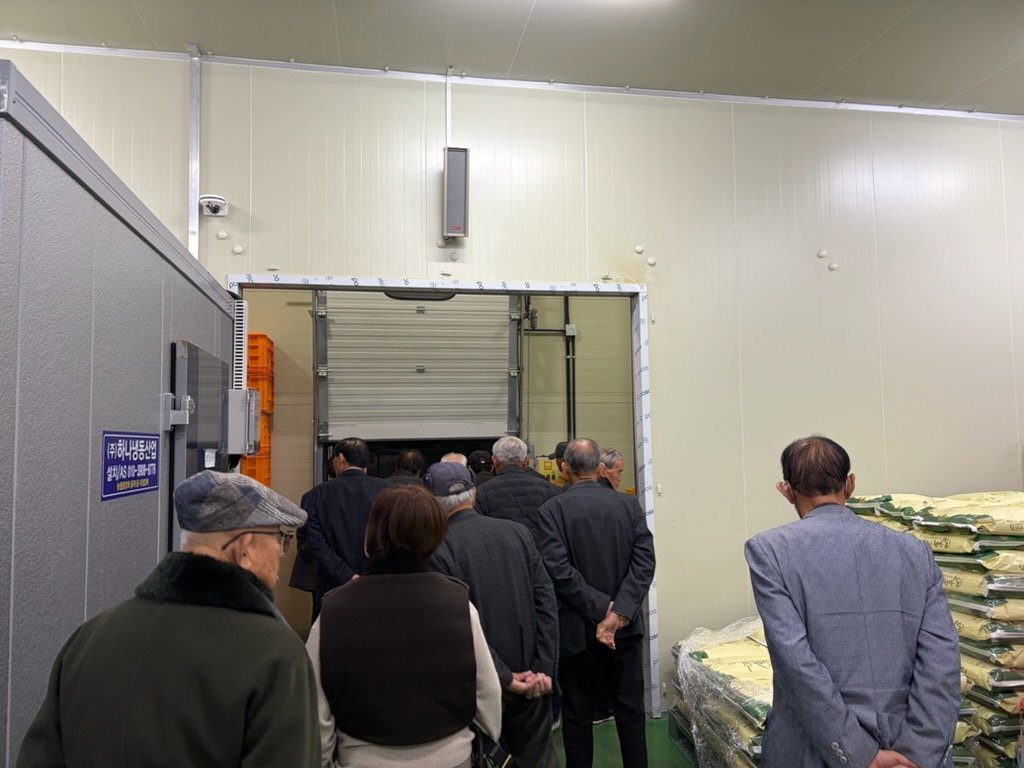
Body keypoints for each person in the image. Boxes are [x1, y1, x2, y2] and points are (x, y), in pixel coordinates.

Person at [16, 470, 318, 768]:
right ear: (244, 548)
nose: (282, 552)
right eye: (281, 537)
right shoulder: (276, 654)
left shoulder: (88, 638)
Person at [745, 436, 960, 768]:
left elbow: (797, 664)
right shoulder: (914, 552)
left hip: (814, 753)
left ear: (786, 490)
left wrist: (859, 753)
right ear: (850, 484)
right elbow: (941, 659)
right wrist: (918, 752)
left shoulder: (769, 552)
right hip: (907, 751)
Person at [306, 484, 501, 768]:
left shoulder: (335, 608)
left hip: (362, 759)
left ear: (371, 534)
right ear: (436, 535)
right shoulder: (458, 602)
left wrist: (325, 759)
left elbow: (315, 707)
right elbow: (488, 692)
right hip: (451, 756)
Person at [428, 461, 560, 768]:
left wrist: (505, 677)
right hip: (532, 678)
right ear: (474, 494)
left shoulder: (436, 552)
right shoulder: (518, 534)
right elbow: (546, 602)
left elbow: (457, 626)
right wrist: (543, 668)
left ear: (432, 503)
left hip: (476, 685)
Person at [536, 438, 656, 768]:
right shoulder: (629, 506)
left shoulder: (551, 511)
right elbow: (644, 563)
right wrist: (618, 612)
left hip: (577, 632)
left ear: (565, 467)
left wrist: (602, 608)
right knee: (631, 712)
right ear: (599, 468)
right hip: (625, 630)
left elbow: (558, 570)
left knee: (577, 716)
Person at [303, 437, 387, 616]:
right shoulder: (387, 491)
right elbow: (392, 535)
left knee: (330, 630)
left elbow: (314, 541)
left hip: (331, 586)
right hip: (376, 584)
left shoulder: (316, 495)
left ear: (341, 459)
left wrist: (346, 575)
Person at [475, 435, 559, 542]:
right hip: (540, 550)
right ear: (526, 460)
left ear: (494, 460)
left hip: (501, 550)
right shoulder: (550, 489)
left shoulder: (481, 493)